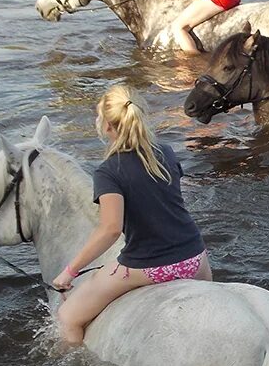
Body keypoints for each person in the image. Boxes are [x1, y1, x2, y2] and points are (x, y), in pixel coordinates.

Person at [52, 84, 212, 345]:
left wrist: (70, 272)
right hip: (195, 257)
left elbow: (110, 229)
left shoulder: (108, 172)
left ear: (106, 126)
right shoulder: (167, 153)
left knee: (68, 317)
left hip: (149, 266)